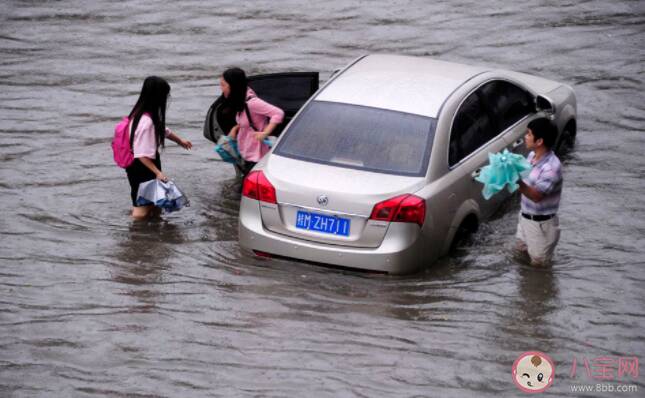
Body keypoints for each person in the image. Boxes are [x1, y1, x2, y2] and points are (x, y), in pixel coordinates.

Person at [125, 76, 192, 220]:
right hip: (142, 166)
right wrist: (158, 173)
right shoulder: (147, 122)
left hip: (139, 165)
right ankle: (136, 235)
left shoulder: (139, 113)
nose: (167, 98)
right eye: (165, 95)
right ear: (158, 97)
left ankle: (151, 234)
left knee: (154, 202)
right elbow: (141, 154)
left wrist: (179, 140)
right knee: (141, 207)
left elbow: (161, 129)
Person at [514, 118, 563, 266]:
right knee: (520, 255)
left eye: (529, 134)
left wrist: (516, 180)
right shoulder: (531, 157)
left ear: (539, 141)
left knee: (539, 268)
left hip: (541, 226)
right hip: (524, 218)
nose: (525, 137)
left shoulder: (551, 168)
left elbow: (536, 196)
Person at [219, 67, 284, 175]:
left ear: (233, 86)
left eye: (223, 85)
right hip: (246, 152)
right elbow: (247, 121)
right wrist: (235, 129)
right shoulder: (240, 100)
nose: (221, 89)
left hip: (257, 157)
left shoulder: (252, 103)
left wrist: (265, 132)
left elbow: (278, 113)